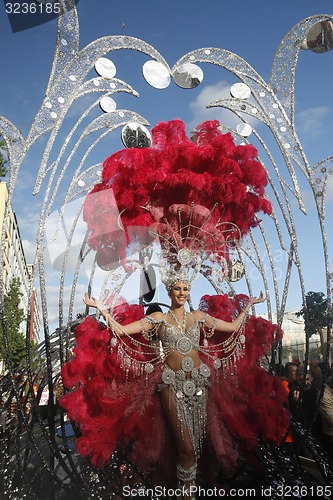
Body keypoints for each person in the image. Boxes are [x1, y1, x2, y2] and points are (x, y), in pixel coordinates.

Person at [82, 285, 265, 495]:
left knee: (196, 449)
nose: (182, 292)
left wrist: (249, 305)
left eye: (186, 288)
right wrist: (101, 308)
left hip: (199, 385)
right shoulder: (159, 318)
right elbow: (120, 331)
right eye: (177, 289)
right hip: (171, 385)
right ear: (169, 291)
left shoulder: (198, 317)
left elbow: (232, 328)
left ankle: (189, 492)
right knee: (186, 449)